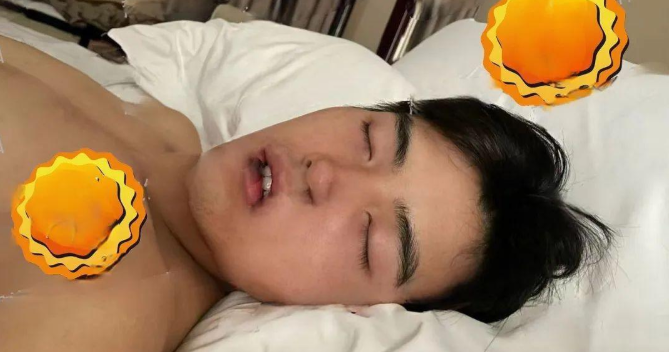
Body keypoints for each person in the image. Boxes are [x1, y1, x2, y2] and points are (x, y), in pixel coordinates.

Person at [0, 35, 612, 351]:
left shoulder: (85, 313)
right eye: (370, 138)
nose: (325, 174)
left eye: (369, 237)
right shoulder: (169, 124)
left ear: (357, 308)